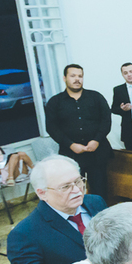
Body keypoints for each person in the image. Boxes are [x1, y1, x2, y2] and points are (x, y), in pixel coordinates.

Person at [45, 64, 113, 199]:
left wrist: (96, 140)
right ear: (64, 78)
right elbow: (51, 127)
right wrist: (70, 144)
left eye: (80, 76)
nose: (77, 79)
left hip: (97, 152)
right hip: (71, 154)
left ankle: (100, 211)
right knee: (73, 191)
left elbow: (106, 120)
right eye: (73, 76)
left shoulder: (96, 97)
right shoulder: (55, 102)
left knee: (100, 190)